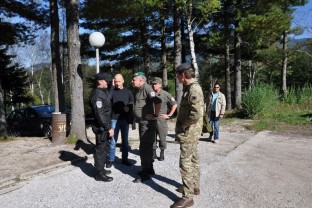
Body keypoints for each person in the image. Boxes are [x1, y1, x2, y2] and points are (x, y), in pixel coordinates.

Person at [171, 63, 204, 208]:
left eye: (178, 75)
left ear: (182, 75)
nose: (177, 78)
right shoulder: (190, 88)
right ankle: (194, 187)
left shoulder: (193, 89)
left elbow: (196, 113)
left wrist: (185, 123)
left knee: (185, 163)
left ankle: (187, 197)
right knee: (194, 159)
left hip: (189, 132)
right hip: (193, 132)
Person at [132, 72, 162, 183]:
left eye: (134, 79)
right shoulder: (139, 90)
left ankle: (145, 173)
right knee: (147, 146)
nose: (132, 81)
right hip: (142, 123)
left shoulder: (147, 88)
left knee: (144, 148)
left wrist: (155, 115)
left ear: (141, 80)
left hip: (147, 124)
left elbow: (158, 101)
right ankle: (149, 168)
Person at [90, 72, 114, 182]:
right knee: (100, 149)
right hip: (102, 127)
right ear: (100, 81)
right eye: (106, 81)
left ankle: (101, 169)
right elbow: (100, 114)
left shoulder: (102, 92)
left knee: (104, 148)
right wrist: (108, 127)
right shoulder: (97, 95)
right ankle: (98, 174)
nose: (108, 82)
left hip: (104, 126)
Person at [107, 74, 134, 168]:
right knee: (113, 141)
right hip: (114, 119)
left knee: (125, 141)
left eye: (119, 81)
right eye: (116, 81)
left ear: (123, 81)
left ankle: (125, 159)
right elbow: (108, 99)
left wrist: (129, 107)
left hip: (125, 119)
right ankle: (111, 159)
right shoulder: (112, 91)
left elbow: (132, 101)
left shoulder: (128, 91)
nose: (118, 83)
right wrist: (112, 86)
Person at [151, 77, 177, 161]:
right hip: (152, 119)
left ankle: (162, 153)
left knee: (162, 137)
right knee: (152, 137)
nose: (153, 85)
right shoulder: (151, 93)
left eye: (155, 84)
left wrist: (169, 115)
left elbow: (174, 104)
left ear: (160, 85)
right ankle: (153, 153)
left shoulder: (165, 94)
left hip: (161, 120)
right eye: (153, 84)